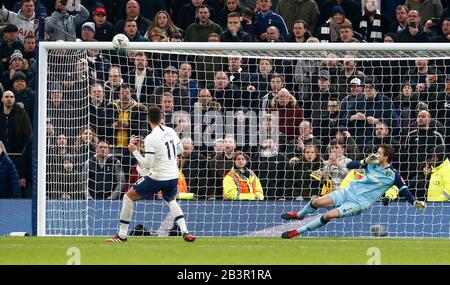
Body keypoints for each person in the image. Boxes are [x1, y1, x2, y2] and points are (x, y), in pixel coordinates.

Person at [280, 144, 427, 239]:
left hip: (358, 203)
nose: (376, 154)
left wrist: (414, 202)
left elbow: (404, 190)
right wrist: (364, 162)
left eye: (379, 153)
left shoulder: (392, 175)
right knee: (316, 202)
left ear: (386, 156)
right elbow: (351, 165)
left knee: (328, 215)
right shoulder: (371, 164)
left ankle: (297, 232)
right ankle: (299, 215)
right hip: (347, 192)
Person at [105, 105, 195, 242]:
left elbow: (148, 164)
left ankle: (122, 235)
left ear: (148, 119)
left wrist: (134, 150)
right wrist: (166, 157)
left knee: (128, 197)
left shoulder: (151, 138)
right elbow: (181, 149)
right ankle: (185, 231)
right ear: (161, 118)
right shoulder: (170, 130)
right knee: (171, 200)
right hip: (173, 175)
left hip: (158, 176)